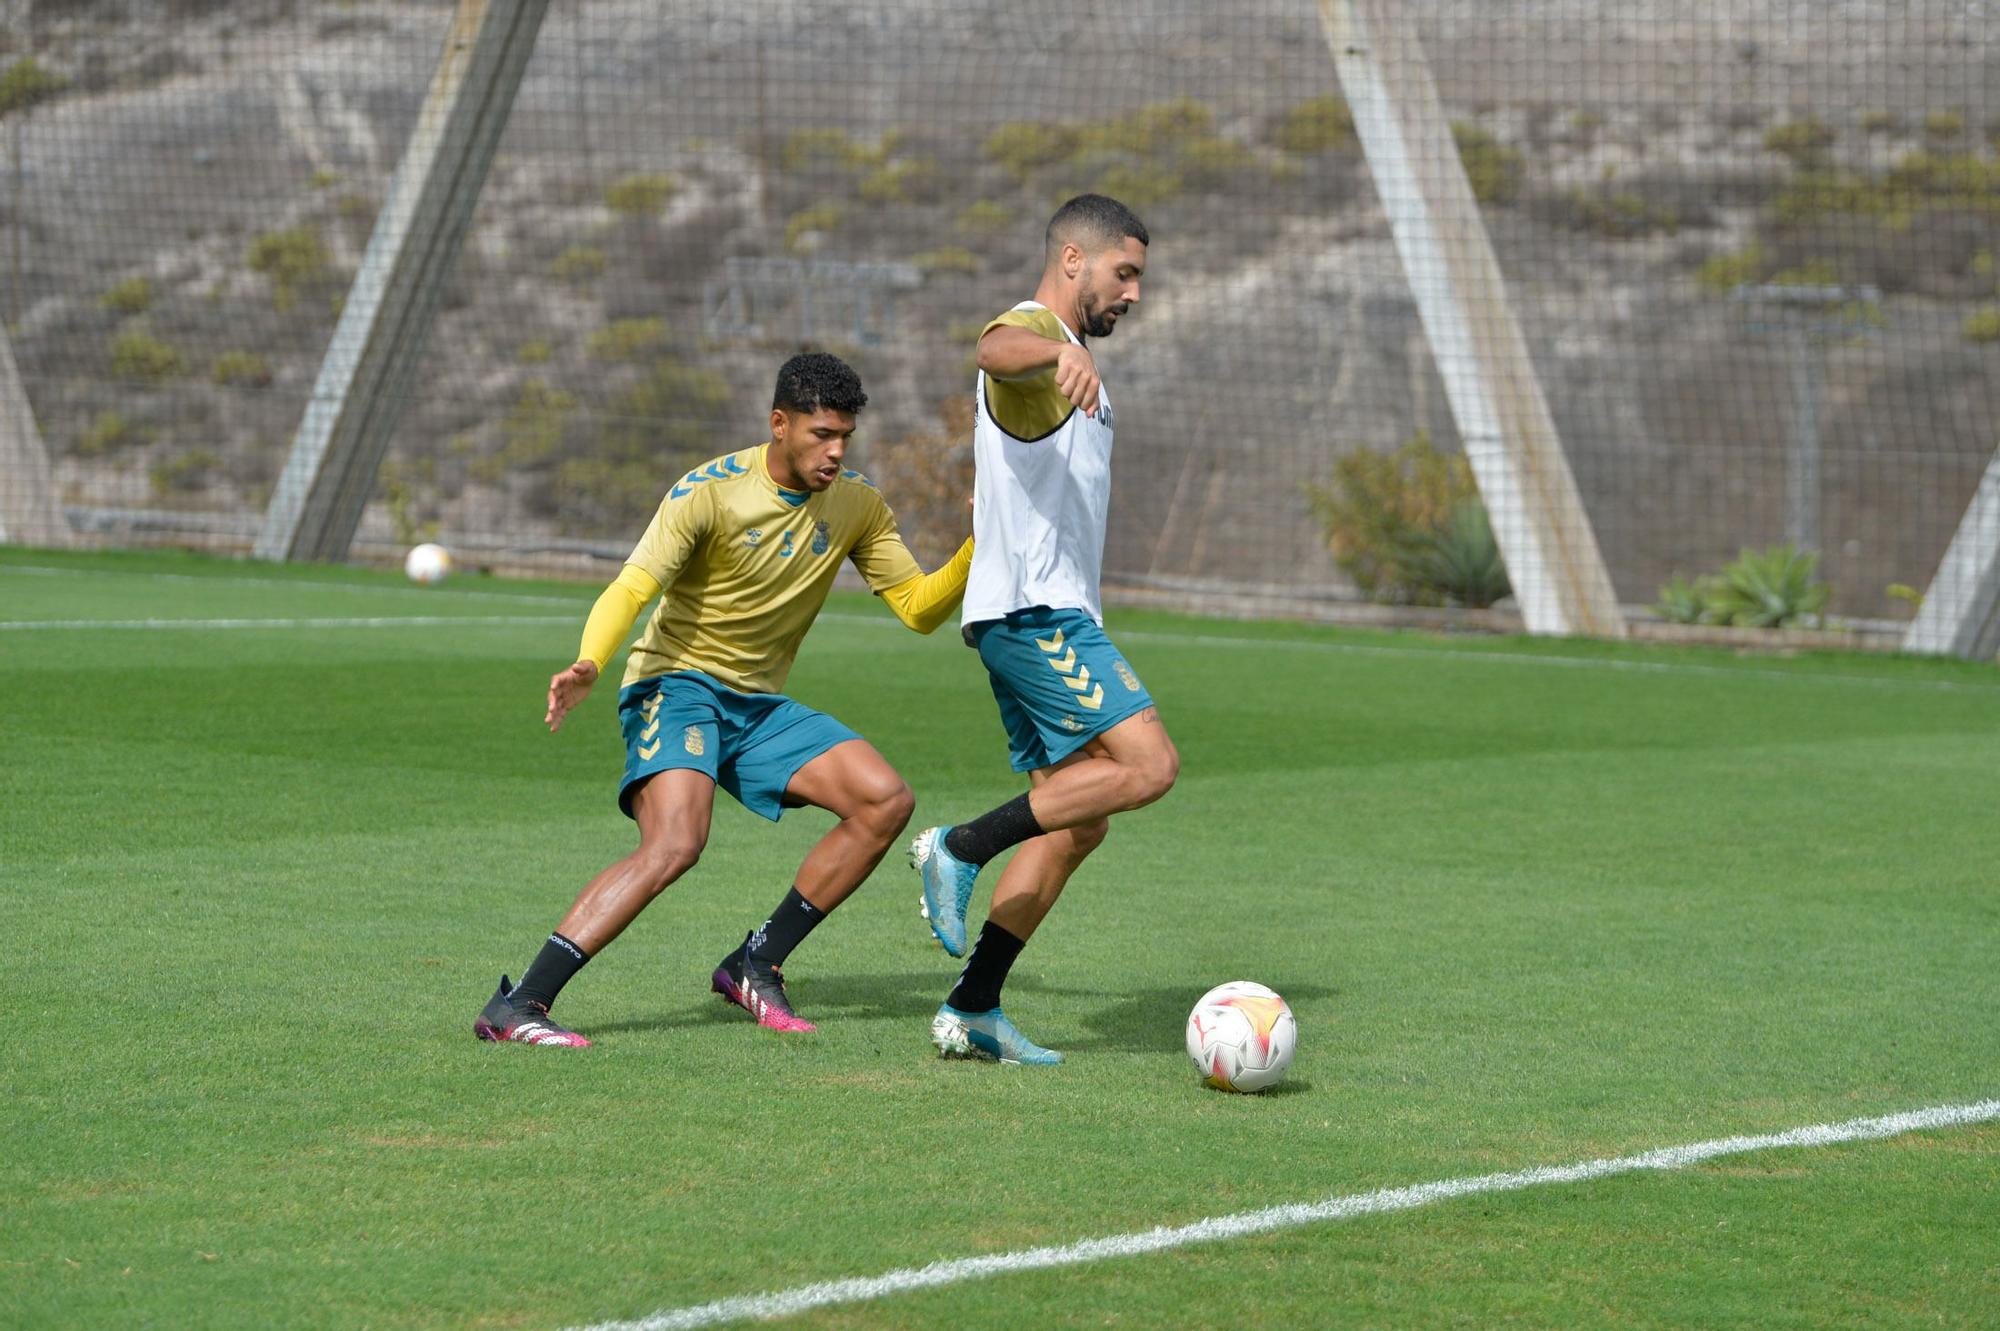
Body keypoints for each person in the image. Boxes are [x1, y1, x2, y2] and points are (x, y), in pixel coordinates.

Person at [475, 352, 972, 1047]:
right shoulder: (708, 492)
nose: (834, 451)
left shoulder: (858, 503)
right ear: (779, 423)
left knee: (884, 799)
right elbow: (633, 586)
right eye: (820, 434)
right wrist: (591, 658)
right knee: (677, 841)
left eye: (844, 438)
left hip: (759, 707)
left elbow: (919, 607)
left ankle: (755, 963)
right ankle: (520, 1002)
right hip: (675, 687)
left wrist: (978, 545)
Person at [909, 194, 1178, 1065]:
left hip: (1027, 613)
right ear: (1073, 259)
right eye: (1123, 272)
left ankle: (975, 1005)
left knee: (1076, 823)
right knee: (1148, 766)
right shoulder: (1035, 341)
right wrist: (1056, 348)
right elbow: (993, 348)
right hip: (1037, 614)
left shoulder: (1076, 365)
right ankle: (957, 847)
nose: (1133, 292)